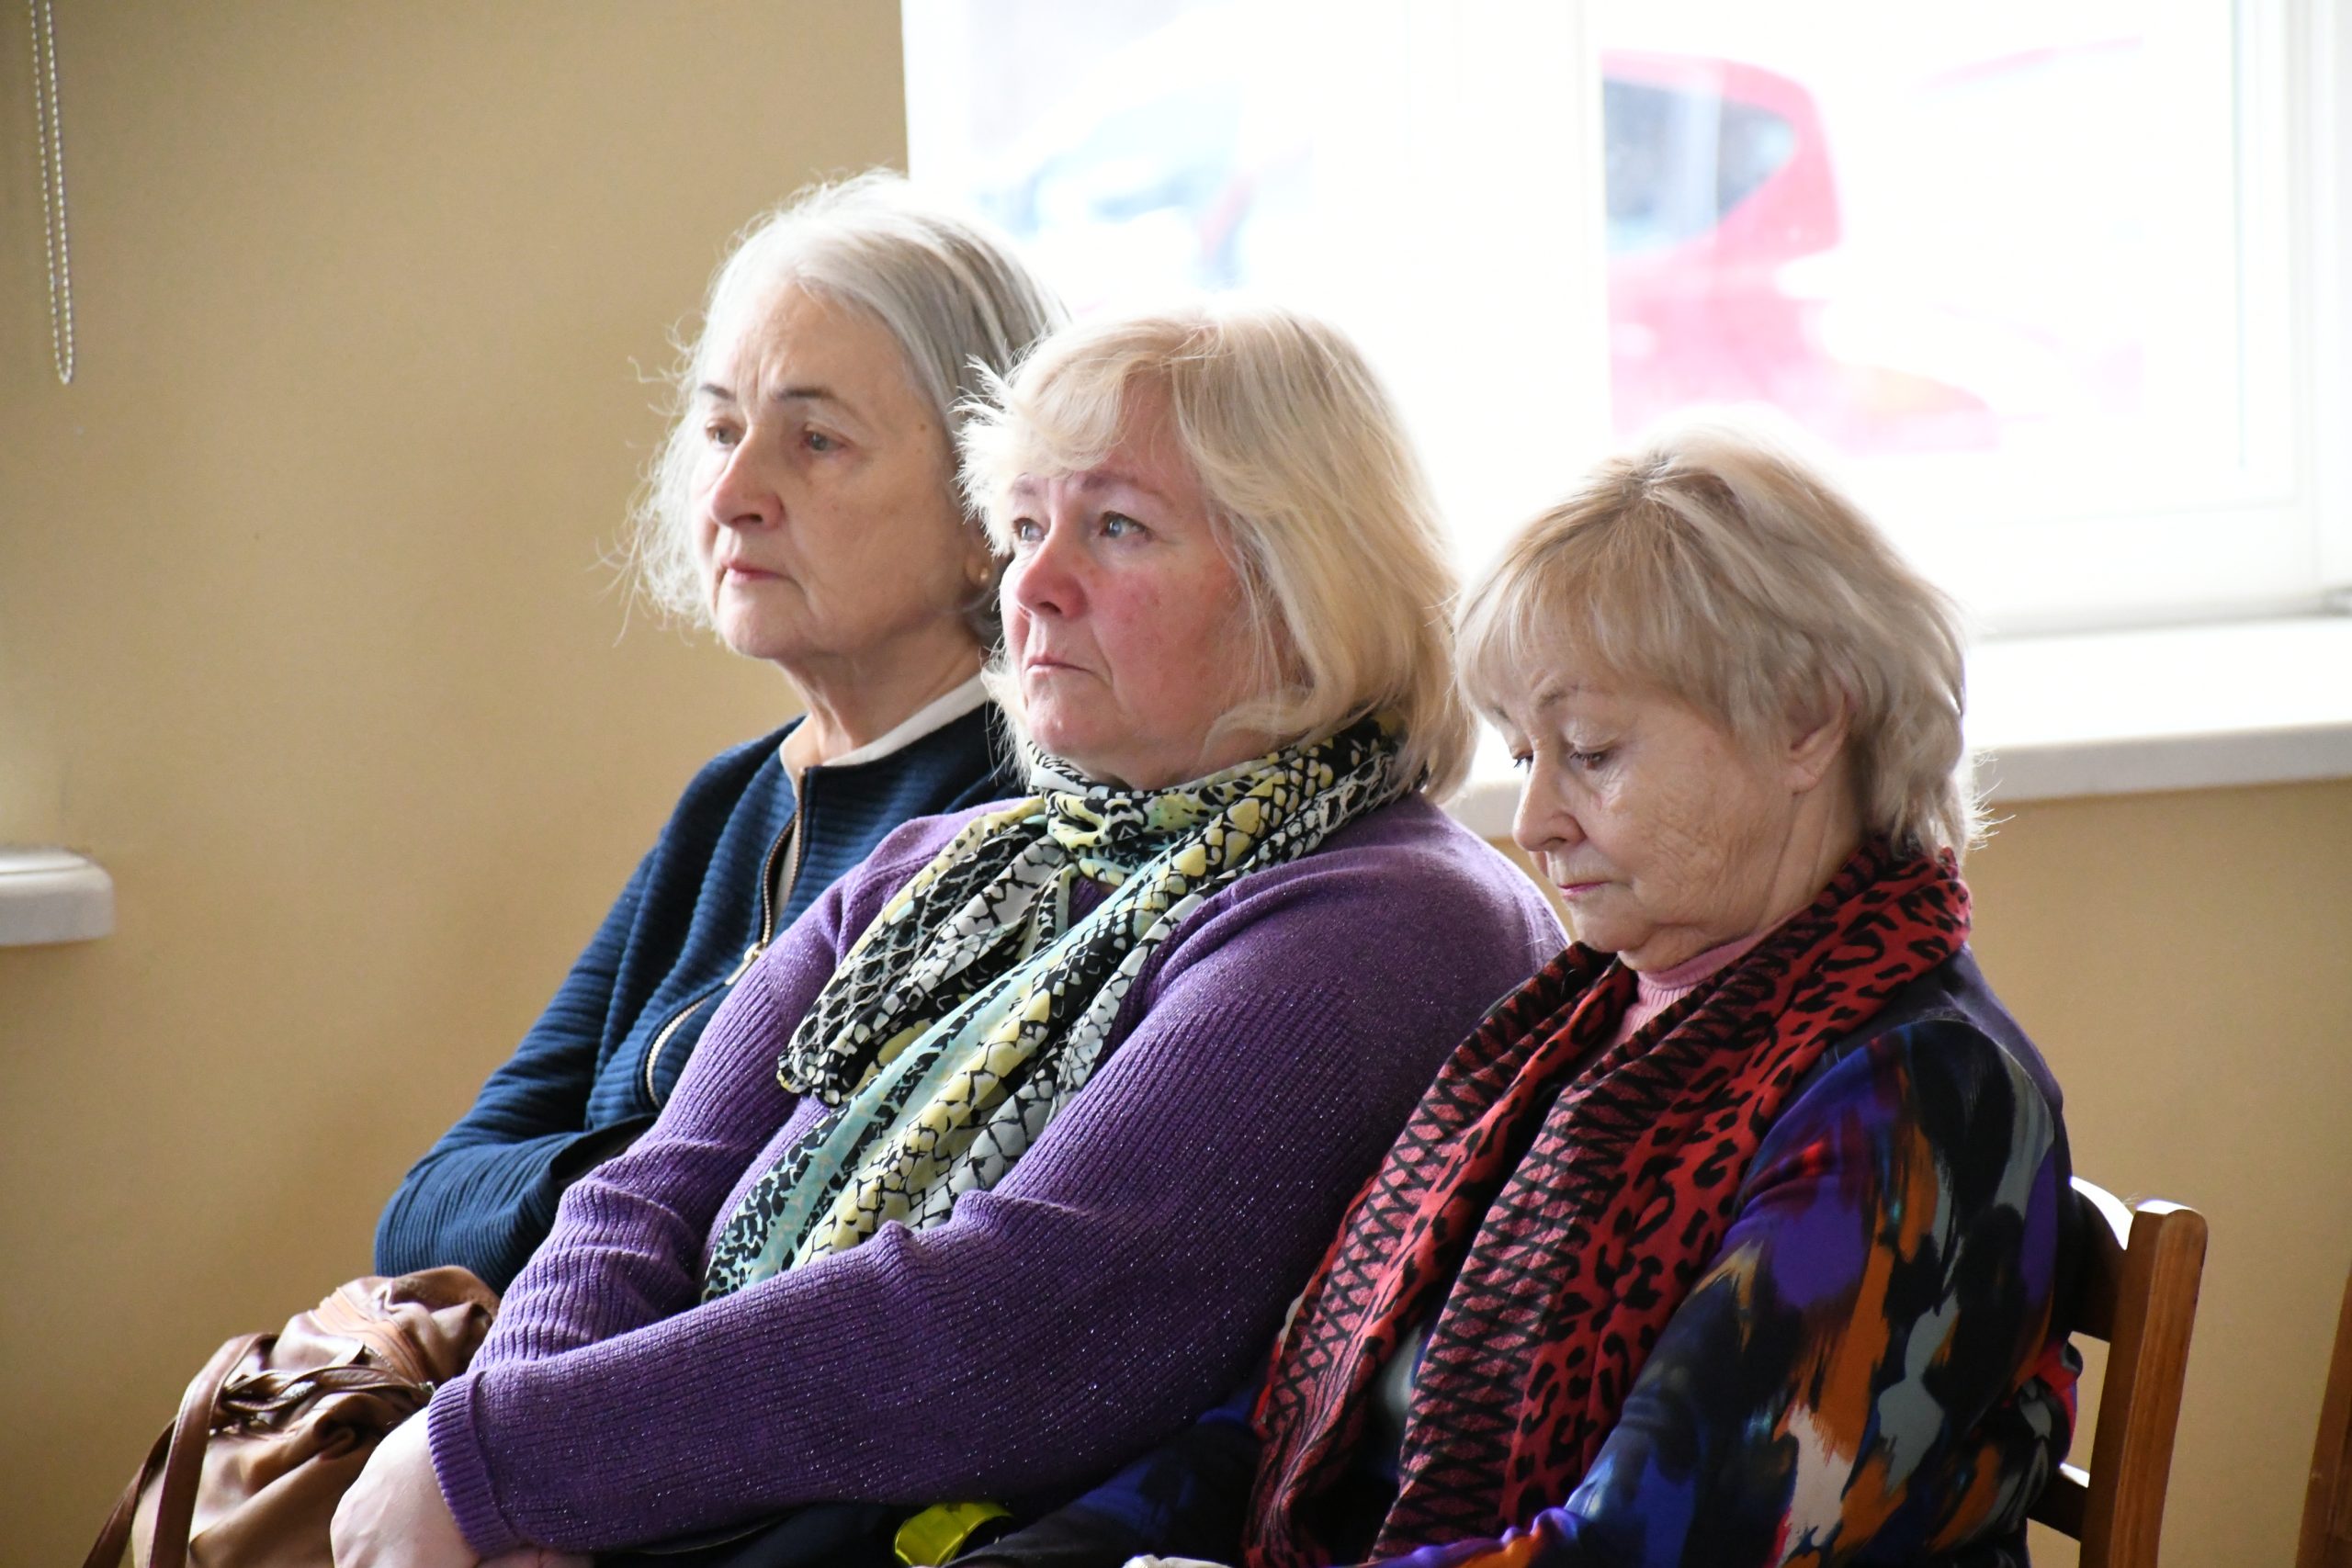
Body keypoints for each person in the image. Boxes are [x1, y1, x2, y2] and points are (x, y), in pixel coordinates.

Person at [330, 302, 1566, 1568]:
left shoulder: (1390, 915)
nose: (1032, 584)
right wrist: (514, 1495)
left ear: (1301, 587)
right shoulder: (944, 863)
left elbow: (1014, 1326)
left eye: (1116, 526)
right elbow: (647, 1194)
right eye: (1025, 526)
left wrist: (509, 1465)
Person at [975, 423, 2078, 1568]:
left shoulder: (1919, 1097)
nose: (1537, 821)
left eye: (1591, 752)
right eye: (1522, 756)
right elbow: (1275, 1423)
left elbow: (1653, 1548)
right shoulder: (1570, 1030)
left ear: (1804, 720)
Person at [374, 174, 1060, 1292]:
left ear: (991, 509)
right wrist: (641, 1186)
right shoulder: (732, 801)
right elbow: (424, 1210)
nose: (733, 489)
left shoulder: (1013, 823)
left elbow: (800, 1237)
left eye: (816, 441)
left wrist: (591, 1193)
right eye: (721, 429)